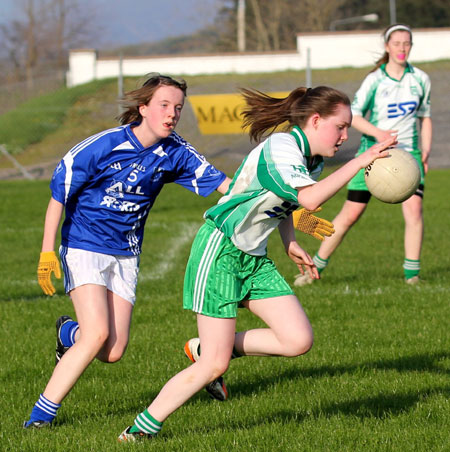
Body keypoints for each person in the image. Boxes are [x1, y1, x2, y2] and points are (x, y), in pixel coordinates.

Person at [118, 85, 397, 441]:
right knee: (214, 366)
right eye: (340, 127)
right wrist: (362, 160)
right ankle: (139, 430)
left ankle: (204, 347)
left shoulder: (311, 157)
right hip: (219, 253)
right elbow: (309, 199)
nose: (345, 136)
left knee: (297, 340)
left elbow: (286, 201)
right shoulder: (282, 148)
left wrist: (290, 241)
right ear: (315, 120)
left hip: (254, 258)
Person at [23, 74, 232, 428]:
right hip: (84, 245)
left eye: (178, 108)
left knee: (113, 351)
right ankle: (40, 417)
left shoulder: (175, 152)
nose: (172, 114)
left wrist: (287, 204)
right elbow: (59, 194)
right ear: (143, 108)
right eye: (164, 105)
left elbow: (228, 187)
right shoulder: (103, 146)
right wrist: (47, 251)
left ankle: (66, 334)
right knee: (97, 335)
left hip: (126, 253)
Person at [294, 23, 432, 287]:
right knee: (350, 215)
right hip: (373, 155)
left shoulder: (420, 80)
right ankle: (314, 269)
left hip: (407, 155)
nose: (402, 48)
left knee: (414, 210)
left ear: (411, 46)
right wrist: (379, 134)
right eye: (397, 43)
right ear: (387, 46)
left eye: (407, 43)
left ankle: (412, 275)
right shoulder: (375, 80)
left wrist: (425, 150)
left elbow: (425, 118)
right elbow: (353, 115)